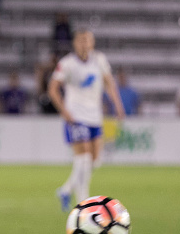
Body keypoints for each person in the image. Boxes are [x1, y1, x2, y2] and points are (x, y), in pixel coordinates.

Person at [48, 29, 125, 212]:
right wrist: (64, 111)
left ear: (92, 43)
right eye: (81, 40)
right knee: (82, 158)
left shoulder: (99, 60)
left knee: (95, 160)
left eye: (88, 41)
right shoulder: (67, 63)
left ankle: (66, 190)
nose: (84, 44)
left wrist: (118, 105)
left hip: (94, 116)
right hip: (75, 116)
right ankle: (83, 203)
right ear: (75, 43)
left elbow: (109, 83)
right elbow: (53, 88)